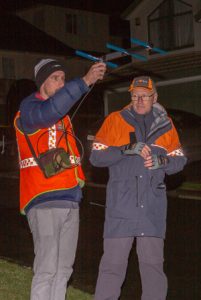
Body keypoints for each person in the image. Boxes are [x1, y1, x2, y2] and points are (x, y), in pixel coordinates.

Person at [14, 58, 106, 300]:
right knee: (46, 269)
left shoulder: (63, 117)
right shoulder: (29, 110)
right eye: (55, 78)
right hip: (43, 197)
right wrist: (84, 81)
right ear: (41, 82)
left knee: (64, 270)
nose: (61, 83)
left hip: (70, 200)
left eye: (64, 79)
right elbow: (49, 112)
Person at [89, 76, 187, 300]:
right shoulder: (115, 120)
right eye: (135, 96)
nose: (140, 100)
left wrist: (162, 161)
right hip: (120, 210)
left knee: (153, 271)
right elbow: (96, 156)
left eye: (144, 96)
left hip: (152, 212)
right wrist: (125, 149)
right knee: (111, 269)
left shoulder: (166, 125)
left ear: (155, 97)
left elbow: (179, 160)